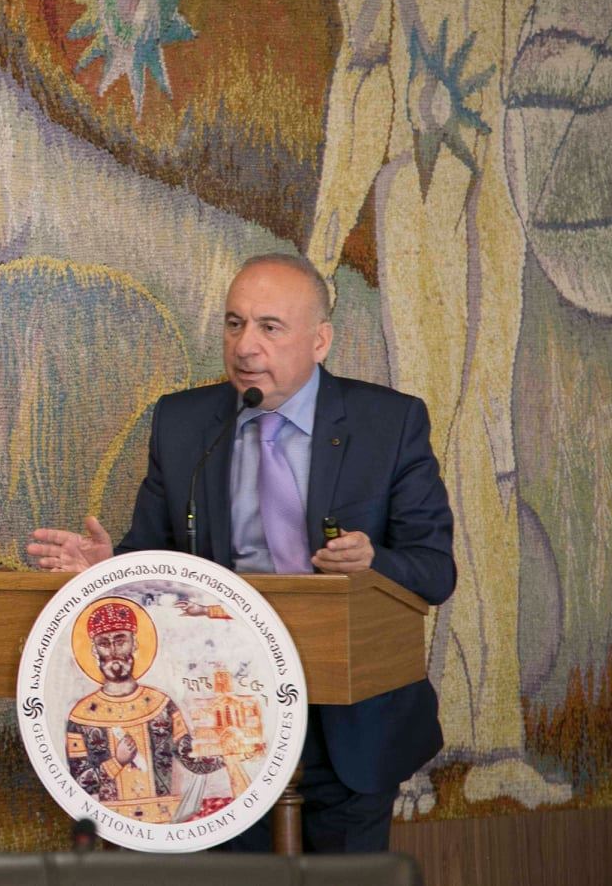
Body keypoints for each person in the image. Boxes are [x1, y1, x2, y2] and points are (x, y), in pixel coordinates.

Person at [28, 253, 455, 852]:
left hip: (351, 721)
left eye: (269, 327)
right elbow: (155, 560)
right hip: (220, 723)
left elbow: (434, 570)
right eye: (234, 324)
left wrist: (372, 564)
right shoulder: (183, 423)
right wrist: (110, 571)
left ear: (320, 341)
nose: (245, 346)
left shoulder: (389, 422)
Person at [65, 602, 234, 824]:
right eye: (104, 643)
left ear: (134, 643)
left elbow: (191, 758)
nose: (113, 651)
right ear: (95, 650)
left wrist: (230, 750)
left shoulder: (160, 704)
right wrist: (117, 761)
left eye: (120, 641)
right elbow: (81, 782)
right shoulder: (81, 715)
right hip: (112, 821)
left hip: (166, 819)